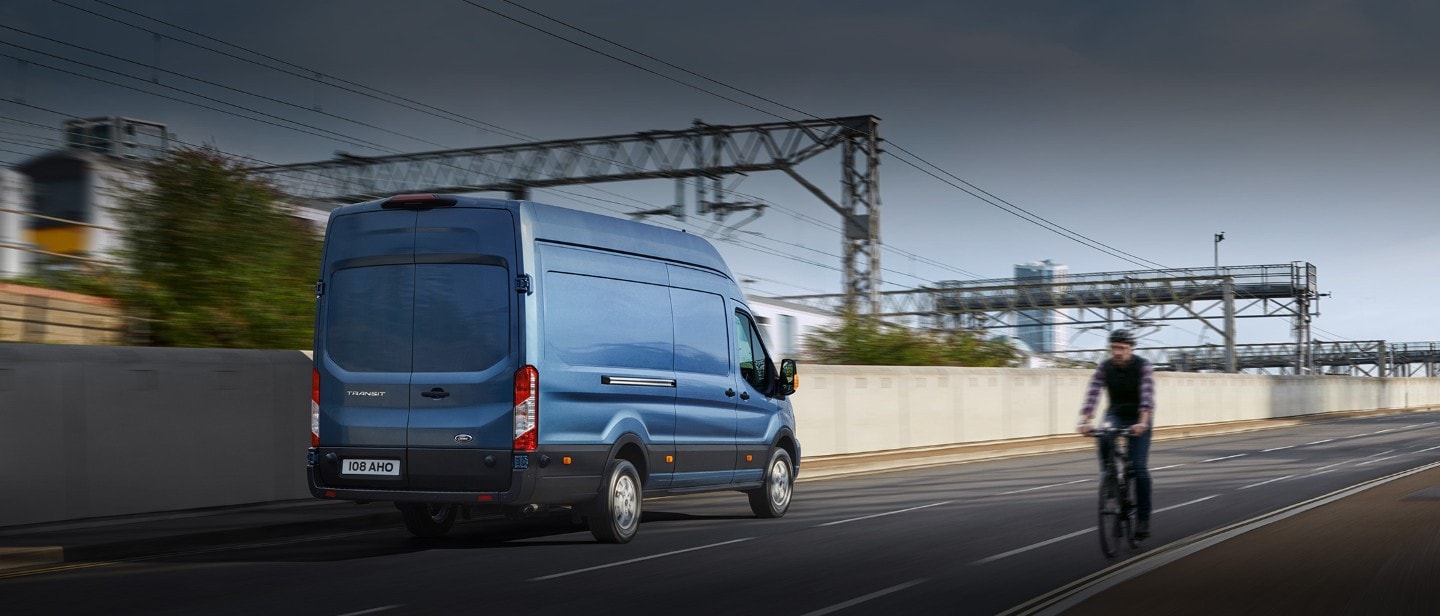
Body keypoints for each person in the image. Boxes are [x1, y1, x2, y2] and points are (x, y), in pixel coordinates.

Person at [1077, 328, 1155, 539]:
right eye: (1114, 348)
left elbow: (1147, 397)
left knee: (1139, 467)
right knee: (1103, 434)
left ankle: (1143, 518)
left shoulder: (1143, 367)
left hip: (1140, 416)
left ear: (1131, 349)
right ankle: (1109, 476)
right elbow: (1093, 393)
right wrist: (1085, 420)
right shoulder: (1105, 367)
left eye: (1122, 348)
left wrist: (1142, 423)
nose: (1117, 353)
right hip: (1117, 413)